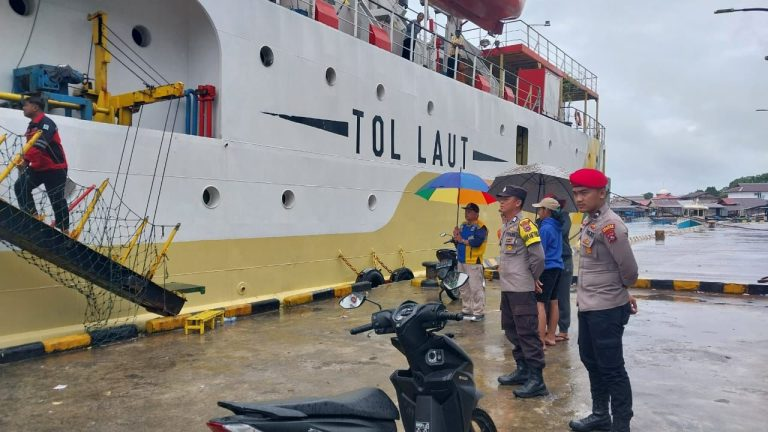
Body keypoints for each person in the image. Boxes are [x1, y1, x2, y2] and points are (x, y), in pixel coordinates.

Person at [568, 168, 638, 432]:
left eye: (584, 193)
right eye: (576, 193)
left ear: (601, 193)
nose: (579, 198)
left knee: (612, 368)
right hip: (588, 305)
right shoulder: (590, 222)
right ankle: (600, 415)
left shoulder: (611, 226)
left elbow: (629, 271)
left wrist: (621, 291)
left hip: (606, 309)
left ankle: (621, 424)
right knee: (590, 360)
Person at [495, 185, 548, 398]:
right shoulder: (507, 225)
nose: (501, 202)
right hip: (508, 288)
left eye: (506, 198)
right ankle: (523, 370)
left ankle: (537, 380)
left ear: (517, 202)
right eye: (500, 198)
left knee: (527, 333)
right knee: (511, 330)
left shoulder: (525, 225)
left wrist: (532, 278)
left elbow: (539, 257)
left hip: (521, 289)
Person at [14, 96, 69, 233]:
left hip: (55, 168)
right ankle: (32, 217)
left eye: (26, 105)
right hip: (38, 167)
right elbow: (30, 146)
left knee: (56, 199)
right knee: (20, 186)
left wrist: (26, 160)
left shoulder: (47, 123)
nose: (23, 108)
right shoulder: (31, 126)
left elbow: (40, 143)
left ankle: (64, 230)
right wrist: (25, 160)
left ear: (35, 107)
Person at [532, 196, 563, 347]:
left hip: (546, 268)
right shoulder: (557, 226)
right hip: (558, 267)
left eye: (540, 209)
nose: (538, 211)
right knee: (554, 302)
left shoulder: (545, 228)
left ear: (546, 211)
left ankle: (540, 341)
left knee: (540, 304)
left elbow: (540, 253)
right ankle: (551, 336)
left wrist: (534, 274)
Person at [452, 203, 488, 322]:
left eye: (469, 211)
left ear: (476, 214)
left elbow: (477, 242)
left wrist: (461, 240)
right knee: (463, 287)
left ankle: (478, 312)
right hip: (461, 260)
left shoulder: (481, 227)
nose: (466, 213)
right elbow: (457, 242)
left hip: (473, 262)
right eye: (466, 211)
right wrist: (456, 235)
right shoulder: (463, 226)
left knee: (475, 288)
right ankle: (466, 309)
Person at [548, 194, 574, 343]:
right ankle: (549, 327)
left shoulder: (564, 217)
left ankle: (563, 330)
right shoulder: (543, 220)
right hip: (551, 262)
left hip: (564, 260)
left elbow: (561, 232)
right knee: (550, 298)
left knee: (562, 297)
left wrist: (550, 222)